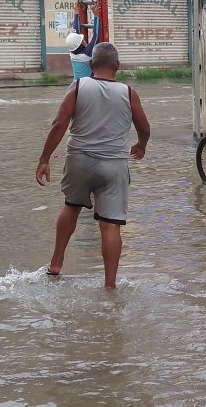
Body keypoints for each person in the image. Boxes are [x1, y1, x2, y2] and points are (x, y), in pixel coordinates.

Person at [34, 43, 150, 289]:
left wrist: (44, 159)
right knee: (110, 226)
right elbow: (144, 127)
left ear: (90, 65)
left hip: (79, 161)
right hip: (114, 166)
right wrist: (141, 145)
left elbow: (59, 123)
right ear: (117, 67)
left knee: (71, 208)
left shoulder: (78, 86)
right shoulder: (129, 93)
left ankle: (56, 263)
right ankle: (110, 285)